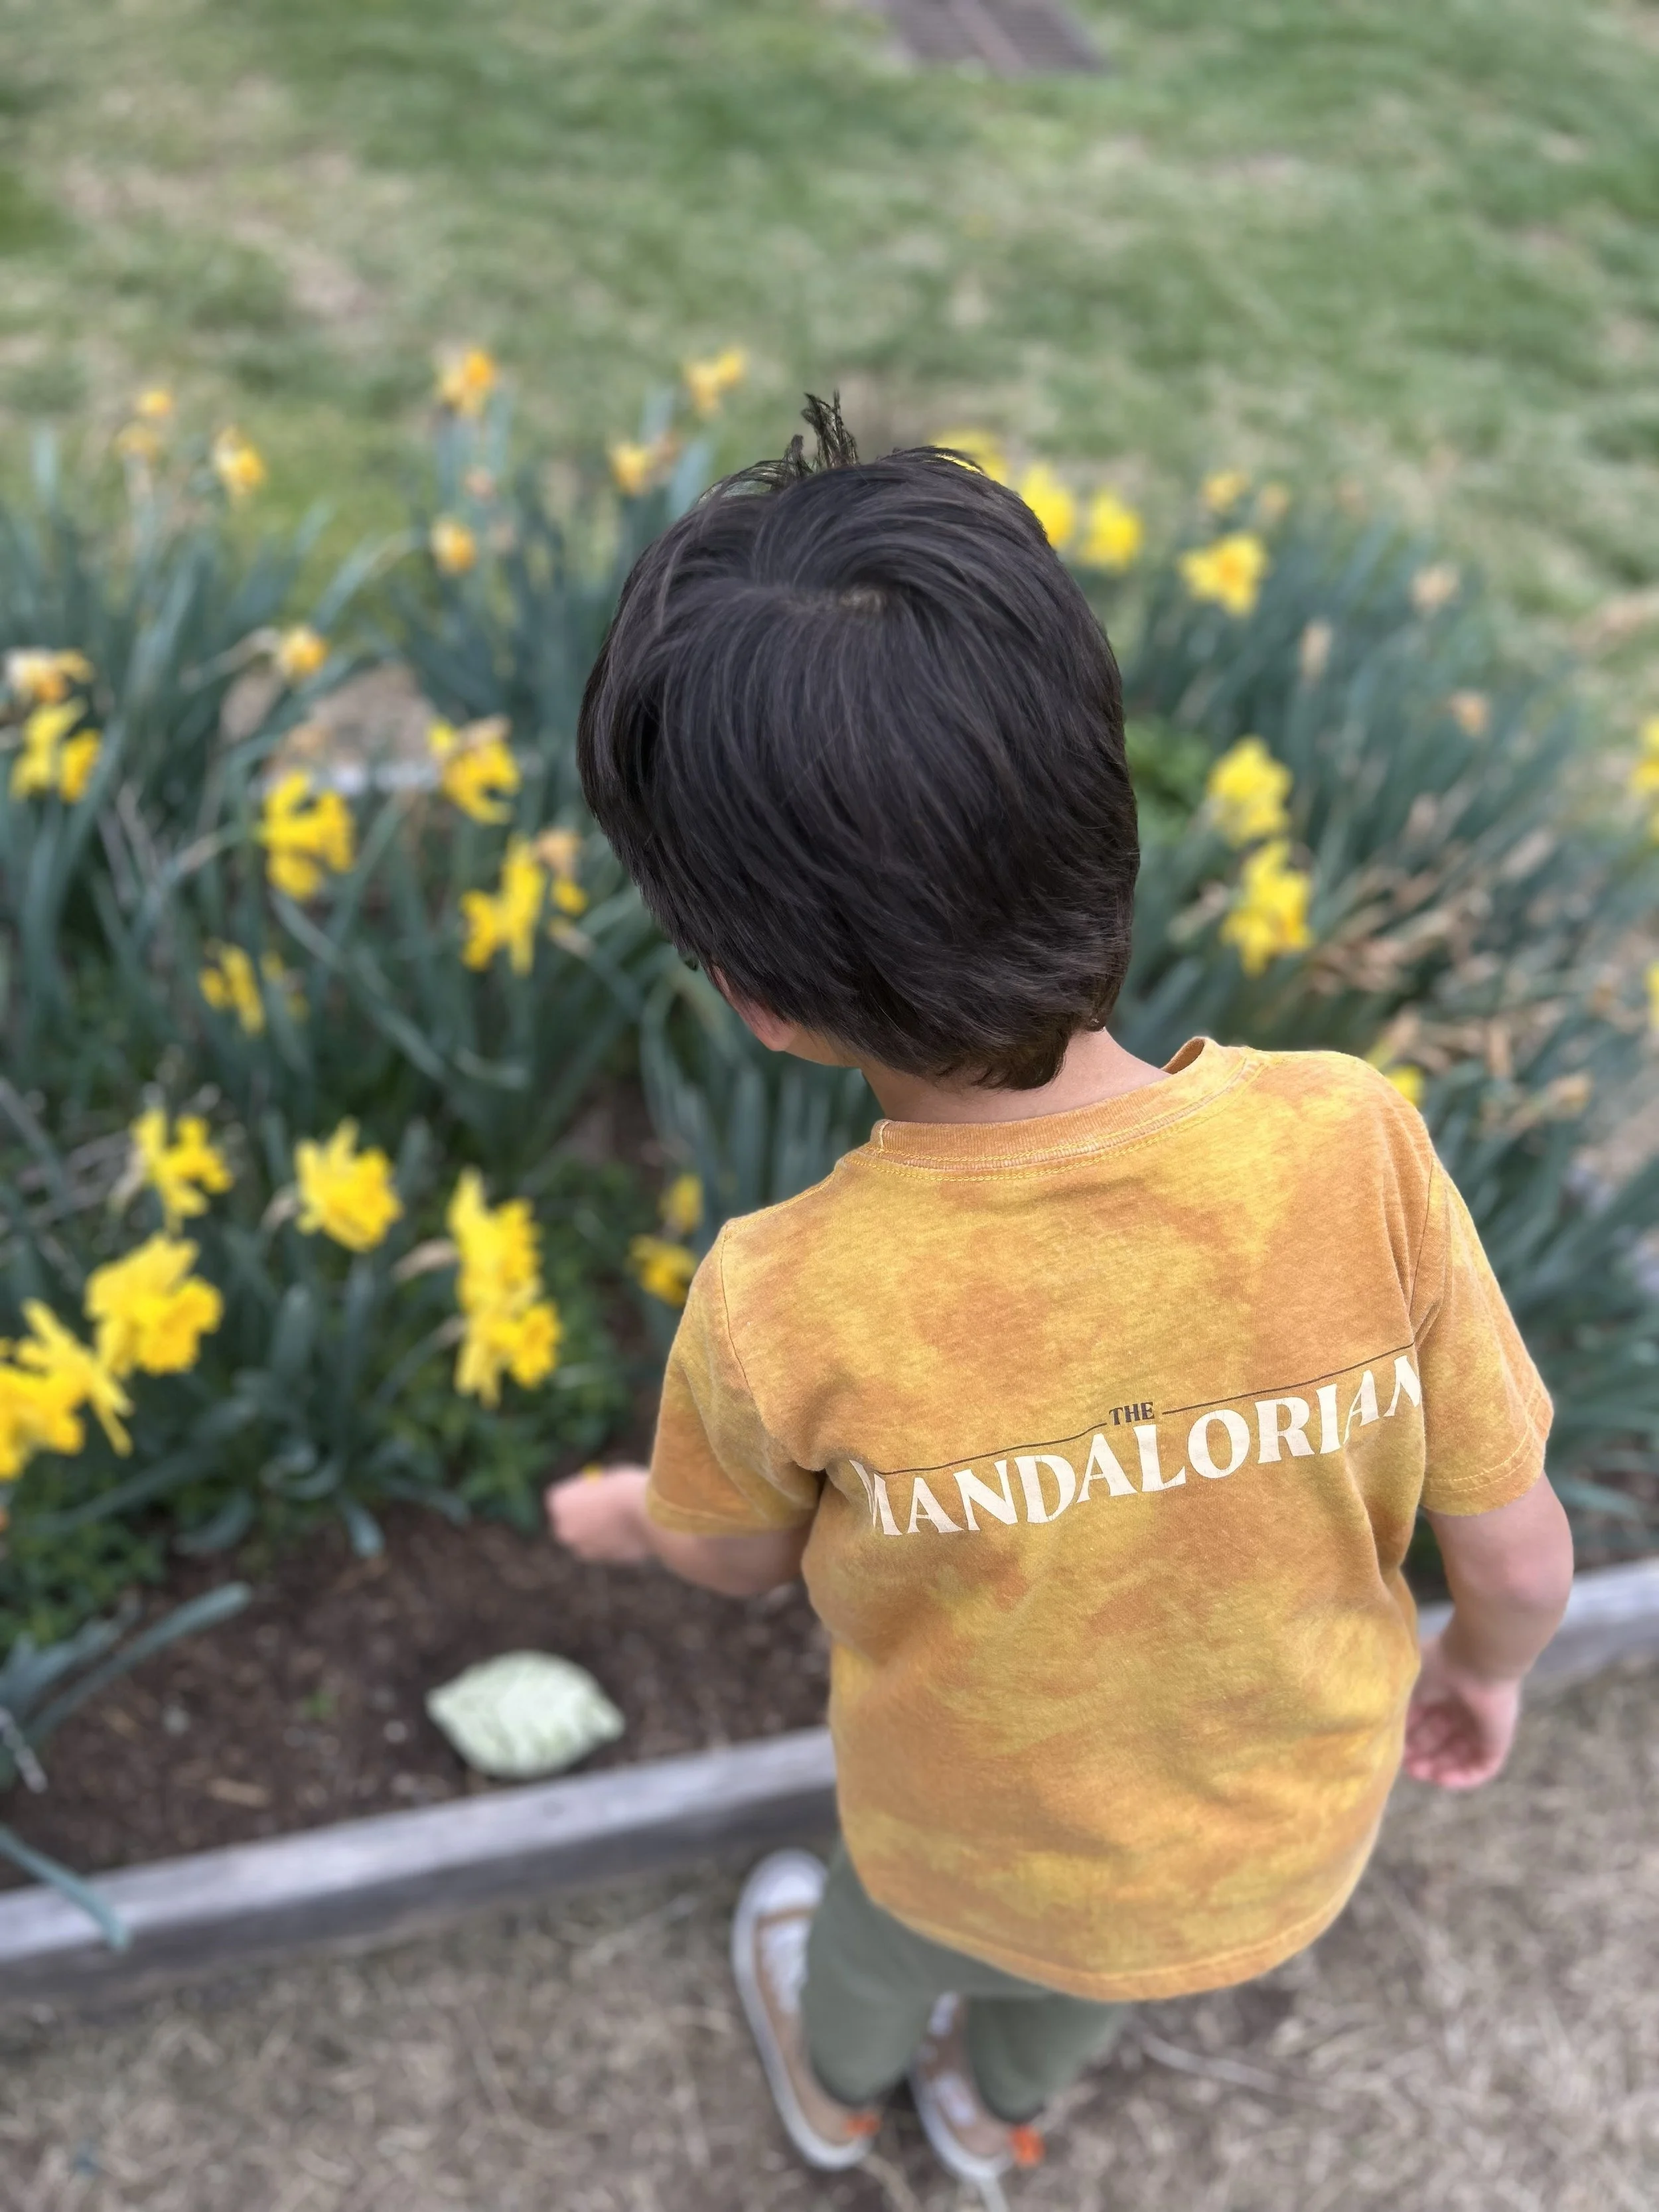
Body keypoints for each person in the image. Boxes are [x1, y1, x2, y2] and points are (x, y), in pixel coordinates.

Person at [546, 400, 1575, 2190]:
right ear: (1107, 819)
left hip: (965, 1839)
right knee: (1087, 1976)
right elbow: (1512, 1556)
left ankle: (840, 2077)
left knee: (881, 1934)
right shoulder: (1351, 1143)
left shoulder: (787, 1295)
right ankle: (997, 2108)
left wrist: (634, 1517)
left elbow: (730, 1553)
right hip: (1264, 1848)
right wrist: (1478, 1674)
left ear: (753, 992)